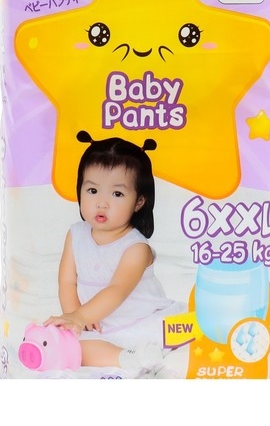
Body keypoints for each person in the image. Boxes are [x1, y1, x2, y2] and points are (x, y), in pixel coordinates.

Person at [44, 131, 179, 373]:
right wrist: (74, 318)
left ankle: (139, 355)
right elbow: (67, 282)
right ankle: (128, 359)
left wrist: (81, 316)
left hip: (140, 320)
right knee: (66, 347)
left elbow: (116, 290)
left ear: (138, 202)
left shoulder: (136, 248)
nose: (102, 203)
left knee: (172, 334)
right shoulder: (75, 235)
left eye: (117, 194)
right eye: (92, 190)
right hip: (97, 324)